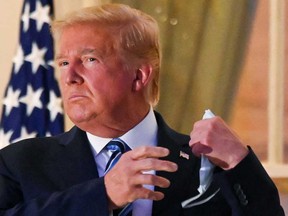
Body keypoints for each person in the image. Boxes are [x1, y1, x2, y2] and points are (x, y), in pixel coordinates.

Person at [0, 3, 284, 216]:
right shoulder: (19, 163)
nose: (70, 76)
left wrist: (240, 162)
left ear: (139, 76)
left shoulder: (207, 164)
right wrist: (103, 195)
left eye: (89, 59)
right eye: (63, 63)